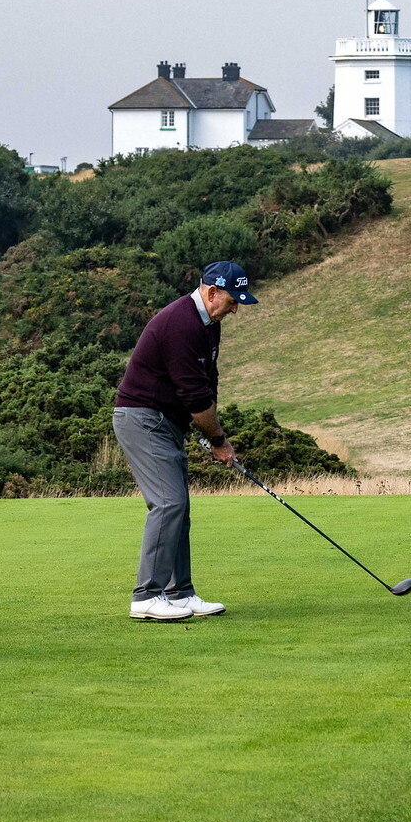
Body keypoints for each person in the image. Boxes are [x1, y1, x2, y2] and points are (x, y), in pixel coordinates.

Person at [113, 260, 257, 621]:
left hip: (165, 422)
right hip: (142, 419)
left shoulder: (208, 324)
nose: (236, 308)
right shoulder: (181, 323)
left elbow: (207, 381)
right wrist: (219, 440)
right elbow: (193, 395)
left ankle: (180, 593)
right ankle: (146, 596)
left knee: (180, 510)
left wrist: (210, 436)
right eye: (232, 300)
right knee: (168, 504)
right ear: (211, 292)